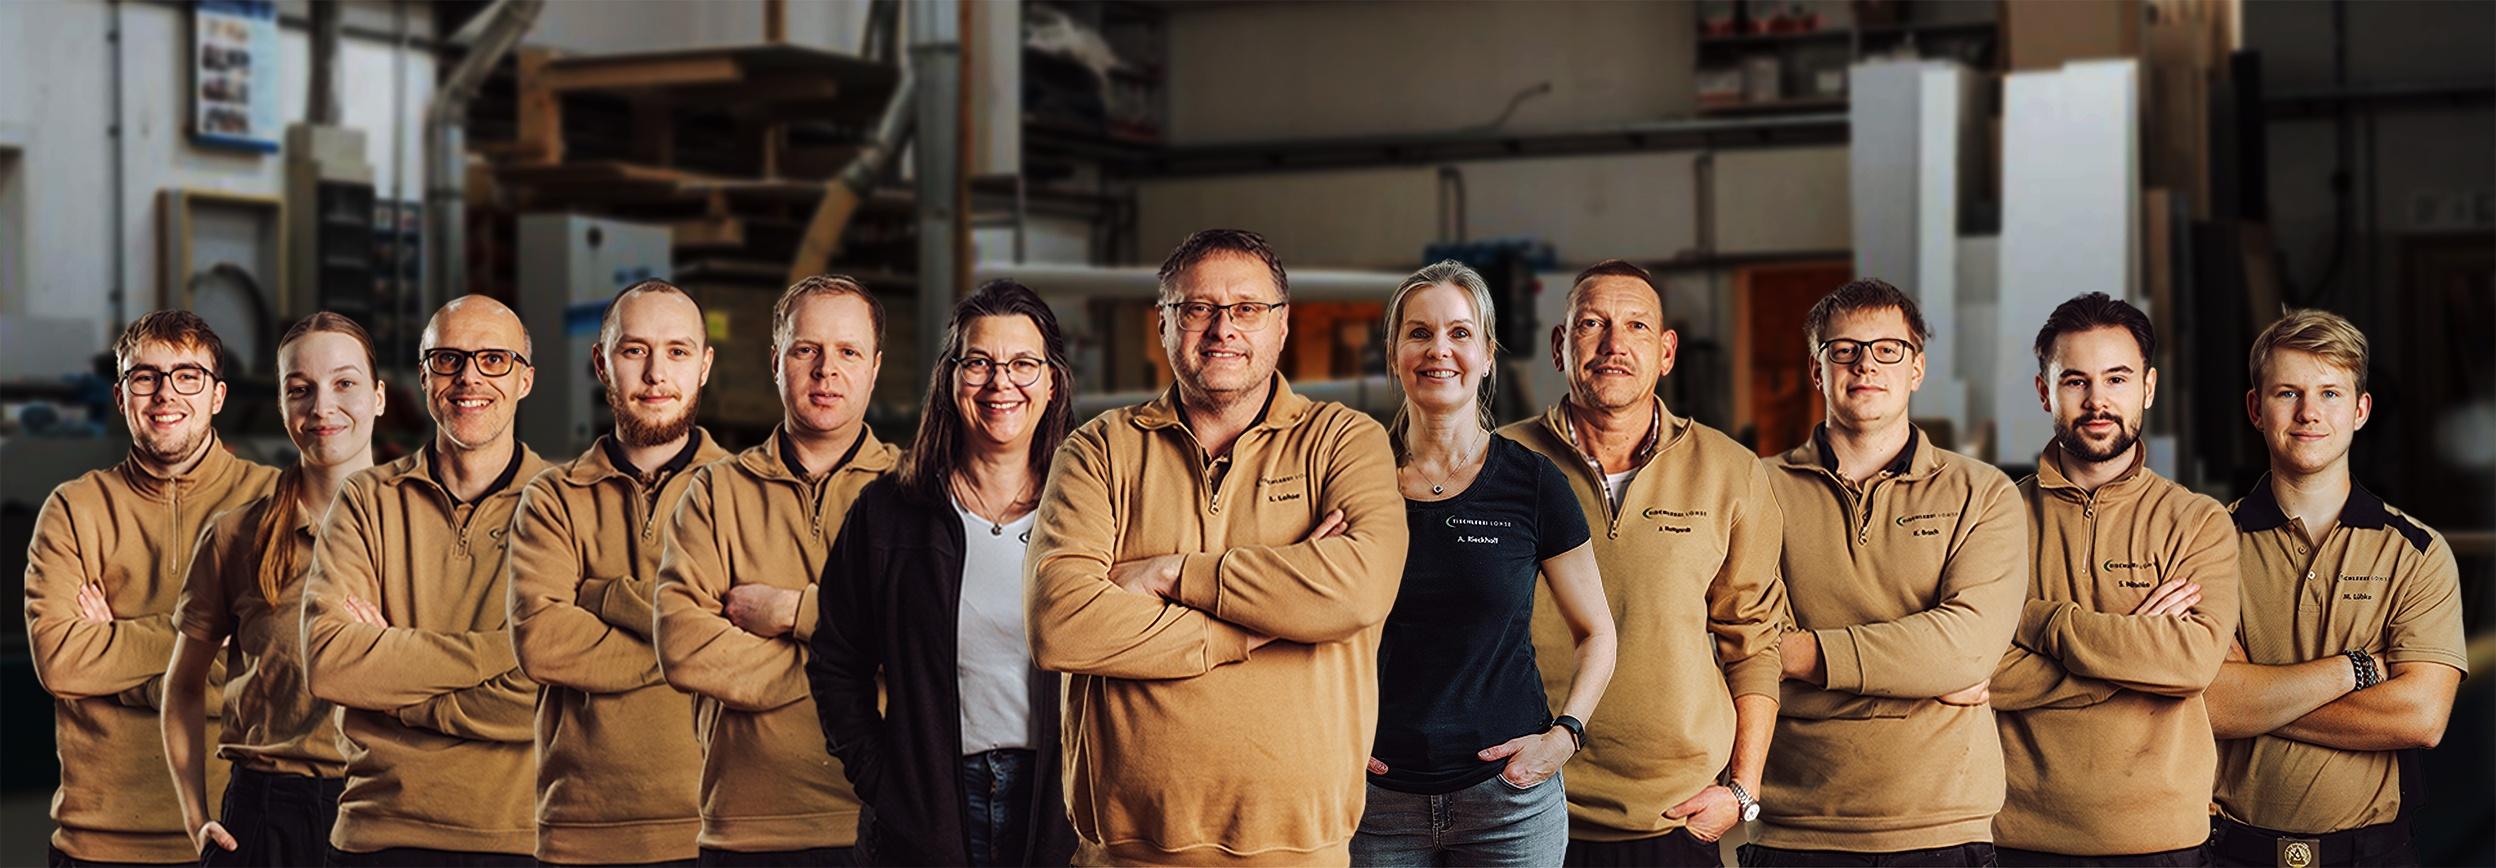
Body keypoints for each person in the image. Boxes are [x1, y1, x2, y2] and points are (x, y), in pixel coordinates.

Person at [1025, 228, 1408, 865]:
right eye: (1197, 308)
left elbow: (1357, 589)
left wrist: (1172, 575)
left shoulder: (1345, 440)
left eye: (1247, 309)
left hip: (1301, 852)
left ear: (1282, 326)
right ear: (1164, 325)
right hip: (1126, 854)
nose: (1222, 328)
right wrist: (1257, 628)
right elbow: (1060, 624)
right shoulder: (1097, 450)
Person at [1495, 260, 1790, 867]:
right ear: (1560, 345)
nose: (1613, 346)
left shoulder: (1730, 471)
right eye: (1592, 325)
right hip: (1517, 805)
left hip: (1675, 819)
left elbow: (1754, 641)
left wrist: (1742, 791)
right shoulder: (1495, 463)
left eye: (1636, 326)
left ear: (1666, 351)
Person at [1746, 280, 2025, 867]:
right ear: (1818, 372)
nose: (1865, 363)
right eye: (1843, 349)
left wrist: (1804, 657)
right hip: (1799, 827)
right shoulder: (1754, 489)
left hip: (1943, 827)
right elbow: (1744, 649)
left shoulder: (1982, 493)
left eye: (1887, 349)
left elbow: (1968, 649)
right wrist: (1919, 673)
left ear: (1917, 368)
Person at [807, 279, 1082, 867]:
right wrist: (887, 784)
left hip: (1060, 816)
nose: (1000, 382)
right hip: (927, 819)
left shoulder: (1093, 513)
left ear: (1053, 380)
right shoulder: (889, 514)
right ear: (950, 378)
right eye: (978, 362)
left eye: (1024, 364)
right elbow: (836, 662)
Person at [1351, 261, 1617, 867]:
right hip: (1374, 801)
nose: (1438, 349)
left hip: (1509, 801)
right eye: (1418, 333)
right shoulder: (1353, 478)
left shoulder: (1532, 482)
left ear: (1489, 355)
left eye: (1460, 333)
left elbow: (1597, 632)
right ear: (1394, 353)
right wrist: (1333, 736)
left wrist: (1564, 737)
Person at [2202, 310, 2466, 867]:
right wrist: (2357, 670)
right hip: (2227, 854)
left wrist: (2253, 697)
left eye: (2330, 393)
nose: (2309, 414)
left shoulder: (2415, 552)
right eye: (2287, 393)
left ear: (2360, 410)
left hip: (2374, 855)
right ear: (2256, 408)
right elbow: (2205, 702)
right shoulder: (2205, 544)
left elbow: (2419, 717)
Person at [655, 275, 899, 866]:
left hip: (889, 822)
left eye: (848, 352)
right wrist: (859, 657)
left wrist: (796, 612)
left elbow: (935, 643)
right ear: (776, 360)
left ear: (874, 367)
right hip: (745, 829)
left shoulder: (918, 492)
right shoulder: (714, 491)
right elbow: (684, 646)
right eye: (805, 349)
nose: (826, 371)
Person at [300, 295, 549, 866]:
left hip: (525, 837)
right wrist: (508, 649)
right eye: (448, 359)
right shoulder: (366, 500)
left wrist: (395, 686)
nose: (468, 378)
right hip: (378, 836)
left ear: (525, 380)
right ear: (423, 374)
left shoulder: (569, 505)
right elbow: (331, 662)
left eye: (494, 360)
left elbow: (563, 692)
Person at [24, 310, 280, 866]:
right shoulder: (73, 509)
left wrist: (114, 649)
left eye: (188, 375)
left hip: (242, 831)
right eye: (146, 377)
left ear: (217, 396)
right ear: (121, 397)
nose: (166, 394)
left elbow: (291, 678)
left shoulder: (276, 503)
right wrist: (216, 641)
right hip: (98, 841)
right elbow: (61, 663)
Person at [1990, 292, 2237, 867]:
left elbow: (2191, 663)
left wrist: (2033, 620)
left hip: (2162, 841)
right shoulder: (1993, 516)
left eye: (2117, 379)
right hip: (2017, 835)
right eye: (2075, 381)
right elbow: (1977, 667)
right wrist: (2130, 650)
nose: (2098, 401)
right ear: (2044, 391)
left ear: (2147, 388)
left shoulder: (2197, 521)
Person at [505, 280, 726, 865]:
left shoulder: (749, 494)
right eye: (634, 351)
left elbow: (762, 644)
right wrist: (695, 632)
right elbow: (543, 644)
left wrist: (602, 597)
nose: (656, 374)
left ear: (704, 366)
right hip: (581, 829)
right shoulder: (552, 497)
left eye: (677, 352)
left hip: (723, 825)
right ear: (602, 363)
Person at [162, 313, 380, 867]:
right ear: (283, 406)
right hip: (264, 817)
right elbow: (183, 686)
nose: (322, 408)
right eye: (300, 390)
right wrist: (195, 816)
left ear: (378, 397)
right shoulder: (236, 535)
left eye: (345, 384)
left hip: (386, 809)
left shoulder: (428, 531)